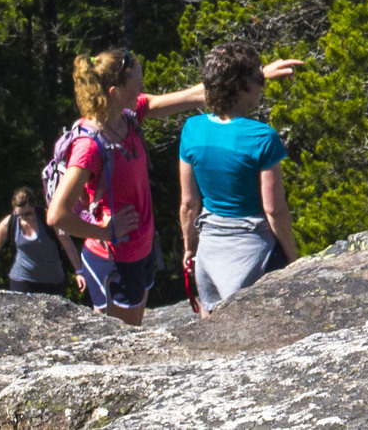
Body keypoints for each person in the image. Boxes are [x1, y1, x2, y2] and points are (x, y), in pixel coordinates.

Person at [50, 46, 304, 323]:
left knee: (135, 329)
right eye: (137, 82)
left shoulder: (128, 115)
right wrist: (106, 232)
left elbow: (200, 95)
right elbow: (56, 215)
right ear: (115, 92)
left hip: (139, 250)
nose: (144, 89)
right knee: (124, 339)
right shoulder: (90, 146)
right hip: (113, 259)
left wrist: (255, 76)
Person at [178, 41, 299, 312]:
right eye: (258, 77)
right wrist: (293, 259)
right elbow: (274, 210)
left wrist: (189, 249)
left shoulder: (192, 129)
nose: (262, 83)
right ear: (238, 88)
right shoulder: (262, 138)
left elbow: (189, 205)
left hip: (209, 253)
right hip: (254, 255)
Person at [0, 187, 80, 297]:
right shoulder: (9, 223)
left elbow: (67, 244)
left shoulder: (49, 220)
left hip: (52, 281)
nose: (24, 218)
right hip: (22, 280)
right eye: (20, 215)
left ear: (34, 206)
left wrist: (79, 271)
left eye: (28, 214)